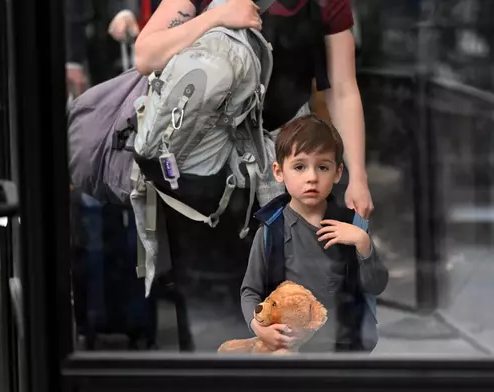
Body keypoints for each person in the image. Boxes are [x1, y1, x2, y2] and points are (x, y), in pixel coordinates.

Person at [132, 0, 373, 350]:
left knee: (295, 297)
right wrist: (218, 15)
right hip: (207, 171)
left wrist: (359, 176)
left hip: (286, 156)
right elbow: (146, 55)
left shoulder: (325, 3)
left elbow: (342, 87)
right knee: (212, 303)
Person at [241, 114, 388, 353]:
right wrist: (258, 327)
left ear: (338, 172)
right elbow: (250, 290)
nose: (311, 177)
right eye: (299, 167)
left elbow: (376, 285)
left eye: (322, 167)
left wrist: (363, 244)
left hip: (346, 345)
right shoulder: (271, 229)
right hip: (291, 345)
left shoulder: (353, 225)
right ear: (278, 172)